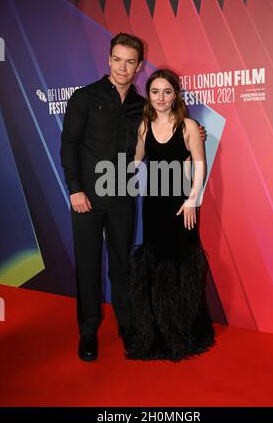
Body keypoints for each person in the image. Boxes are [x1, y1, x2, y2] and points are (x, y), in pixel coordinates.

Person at [61, 33, 206, 362]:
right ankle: (88, 332)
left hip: (123, 196)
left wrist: (196, 134)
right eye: (117, 58)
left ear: (140, 66)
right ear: (108, 59)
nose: (123, 66)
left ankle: (127, 326)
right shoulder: (84, 98)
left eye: (130, 61)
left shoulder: (144, 107)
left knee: (123, 264)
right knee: (87, 266)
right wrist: (75, 189)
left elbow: (169, 135)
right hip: (87, 197)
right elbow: (68, 144)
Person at [127, 69, 215, 361]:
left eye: (167, 91)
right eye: (155, 92)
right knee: (156, 263)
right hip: (153, 203)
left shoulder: (189, 125)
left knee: (182, 261)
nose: (161, 98)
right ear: (148, 96)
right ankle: (158, 331)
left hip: (181, 204)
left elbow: (199, 164)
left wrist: (192, 200)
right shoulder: (144, 126)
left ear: (176, 94)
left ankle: (185, 330)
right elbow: (138, 159)